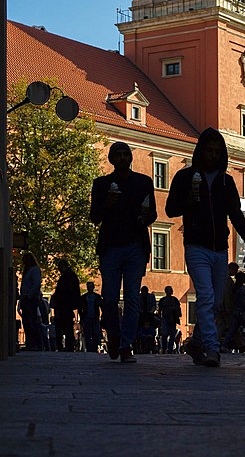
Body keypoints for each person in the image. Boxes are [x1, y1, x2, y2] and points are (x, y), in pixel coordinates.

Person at [165, 127, 245, 368]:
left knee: (214, 302)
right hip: (196, 245)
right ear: (200, 151)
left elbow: (235, 214)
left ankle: (196, 341)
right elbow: (171, 209)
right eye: (208, 150)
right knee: (205, 295)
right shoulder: (184, 177)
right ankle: (213, 348)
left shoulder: (226, 180)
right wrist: (188, 202)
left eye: (216, 151)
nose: (212, 155)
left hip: (220, 248)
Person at [90, 141, 157, 363]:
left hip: (135, 246)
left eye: (125, 154)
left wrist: (145, 217)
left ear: (130, 158)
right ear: (110, 159)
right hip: (110, 246)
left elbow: (153, 214)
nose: (121, 158)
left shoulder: (144, 182)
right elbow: (94, 217)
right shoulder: (101, 184)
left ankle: (126, 344)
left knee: (132, 298)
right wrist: (106, 204)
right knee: (109, 298)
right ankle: (115, 336)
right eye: (116, 154)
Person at [221, 271, 245, 352]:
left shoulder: (234, 288)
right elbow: (243, 302)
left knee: (233, 330)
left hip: (235, 311)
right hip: (242, 312)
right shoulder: (242, 288)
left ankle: (224, 345)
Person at [50, 258, 81, 351]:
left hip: (64, 305)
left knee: (63, 327)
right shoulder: (70, 275)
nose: (58, 269)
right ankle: (68, 345)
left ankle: (65, 346)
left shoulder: (67, 276)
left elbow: (63, 293)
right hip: (66, 305)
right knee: (67, 327)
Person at [18, 251, 43, 351]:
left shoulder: (34, 270)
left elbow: (36, 284)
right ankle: (30, 343)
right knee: (27, 322)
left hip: (30, 299)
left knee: (32, 321)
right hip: (26, 298)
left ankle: (35, 344)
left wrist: (29, 295)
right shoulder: (28, 270)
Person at [79, 281, 103, 352]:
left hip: (95, 317)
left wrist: (101, 316)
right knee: (87, 334)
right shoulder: (83, 297)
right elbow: (80, 308)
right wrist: (82, 317)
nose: (90, 288)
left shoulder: (97, 297)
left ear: (93, 287)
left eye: (91, 287)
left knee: (95, 333)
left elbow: (102, 306)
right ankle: (89, 348)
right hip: (87, 317)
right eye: (88, 287)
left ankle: (95, 347)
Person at [158, 286, 182, 353]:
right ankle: (165, 348)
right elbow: (160, 309)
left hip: (173, 319)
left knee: (171, 335)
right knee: (164, 334)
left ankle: (170, 349)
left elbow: (178, 309)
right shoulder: (163, 300)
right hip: (165, 318)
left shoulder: (174, 300)